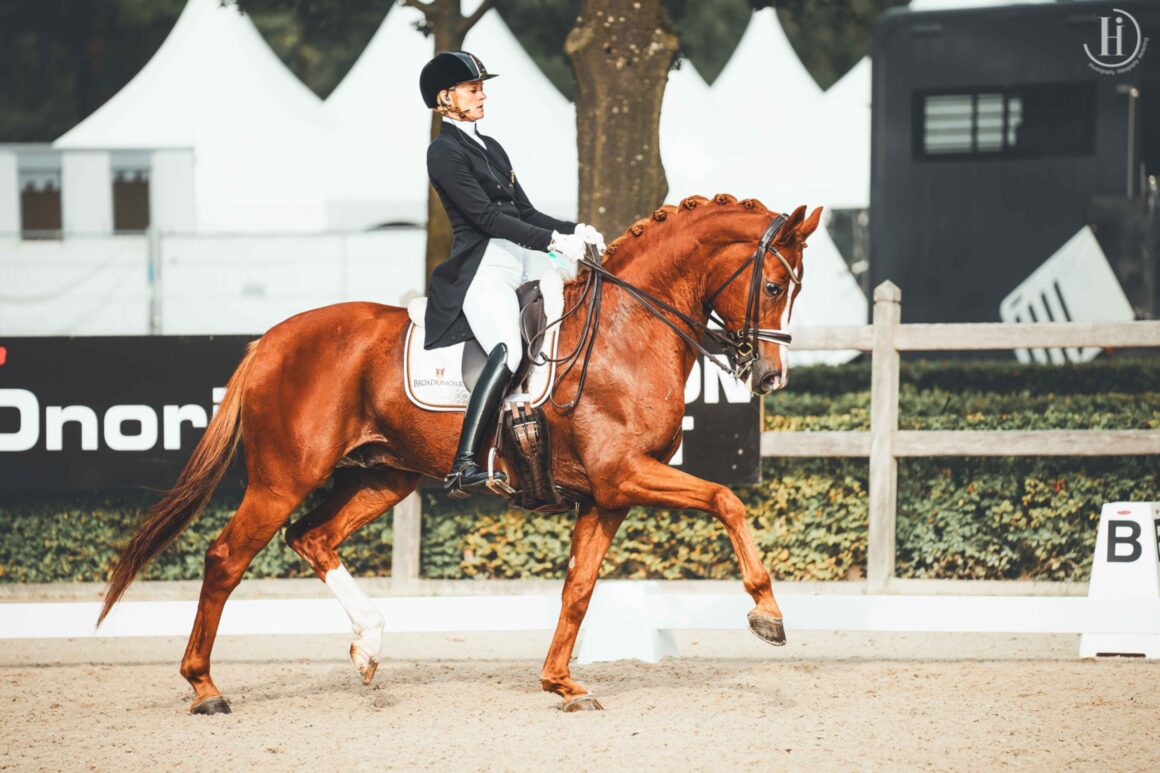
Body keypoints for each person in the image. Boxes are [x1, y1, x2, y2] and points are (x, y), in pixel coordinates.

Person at [419, 51, 604, 498]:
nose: (482, 93)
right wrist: (551, 242)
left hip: (517, 261)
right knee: (508, 348)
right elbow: (484, 217)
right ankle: (463, 464)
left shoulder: (492, 147)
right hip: (481, 267)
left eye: (482, 87)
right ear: (445, 98)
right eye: (472, 88)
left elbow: (525, 211)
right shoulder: (443, 152)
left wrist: (571, 228)